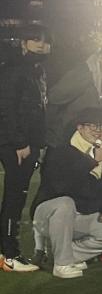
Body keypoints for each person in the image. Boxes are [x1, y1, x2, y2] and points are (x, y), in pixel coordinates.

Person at [31, 107, 102, 279]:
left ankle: (66, 254)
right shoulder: (60, 151)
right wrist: (91, 161)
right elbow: (60, 186)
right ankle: (62, 264)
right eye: (92, 126)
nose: (98, 131)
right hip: (48, 215)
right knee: (65, 203)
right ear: (79, 128)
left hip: (77, 216)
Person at [0, 25, 51, 272]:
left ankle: (7, 251)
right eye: (35, 39)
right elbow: (6, 107)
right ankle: (9, 255)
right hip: (17, 144)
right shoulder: (15, 69)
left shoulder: (36, 70)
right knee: (14, 197)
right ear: (23, 43)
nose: (41, 45)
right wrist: (19, 142)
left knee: (16, 195)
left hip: (27, 142)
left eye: (45, 41)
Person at [45, 38, 102, 148]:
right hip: (63, 140)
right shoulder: (81, 74)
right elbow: (54, 98)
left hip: (94, 145)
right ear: (100, 57)